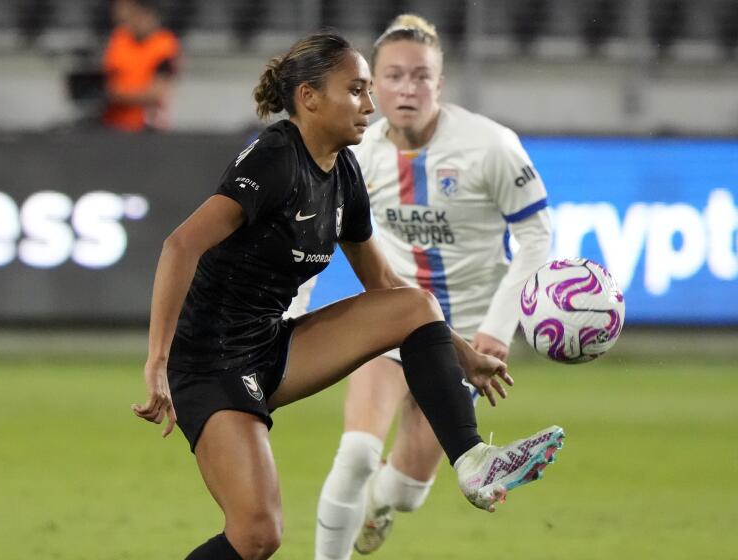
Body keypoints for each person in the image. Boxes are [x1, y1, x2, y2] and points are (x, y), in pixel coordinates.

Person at [131, 31, 562, 560]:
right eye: (355, 90)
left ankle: (473, 461)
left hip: (273, 343)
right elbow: (179, 246)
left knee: (415, 304)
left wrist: (462, 353)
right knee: (257, 535)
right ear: (310, 97)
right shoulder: (274, 159)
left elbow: (384, 286)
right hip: (210, 363)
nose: (370, 103)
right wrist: (158, 361)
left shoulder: (344, 173)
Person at [297, 15, 556, 560]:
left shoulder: (491, 147)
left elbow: (536, 236)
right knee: (357, 455)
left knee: (406, 492)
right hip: (391, 320)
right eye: (392, 76)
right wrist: (289, 313)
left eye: (421, 76)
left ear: (440, 83)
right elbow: (313, 240)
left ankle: (383, 507)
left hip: (463, 335)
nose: (407, 88)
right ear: (372, 86)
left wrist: (496, 330)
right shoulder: (356, 154)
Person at [101, 0, 179, 132]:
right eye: (137, 16)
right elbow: (107, 76)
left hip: (146, 126)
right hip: (113, 123)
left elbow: (157, 93)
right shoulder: (119, 38)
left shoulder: (165, 44)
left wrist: (116, 95)